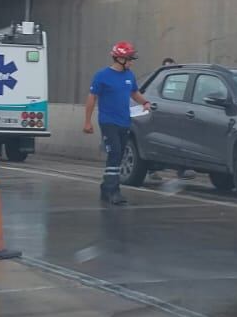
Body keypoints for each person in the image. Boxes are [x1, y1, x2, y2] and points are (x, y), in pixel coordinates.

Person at [83, 41, 151, 205]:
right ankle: (114, 190)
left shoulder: (129, 75)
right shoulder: (102, 76)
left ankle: (106, 187)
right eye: (129, 59)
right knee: (114, 153)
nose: (131, 62)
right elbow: (92, 97)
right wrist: (87, 122)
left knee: (119, 155)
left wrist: (145, 103)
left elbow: (134, 93)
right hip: (108, 121)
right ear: (119, 58)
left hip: (124, 121)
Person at [149, 57, 196, 182]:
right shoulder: (163, 80)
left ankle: (182, 169)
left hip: (177, 118)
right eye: (167, 66)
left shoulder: (180, 80)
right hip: (163, 116)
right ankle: (152, 169)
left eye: (172, 66)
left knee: (180, 143)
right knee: (160, 143)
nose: (170, 69)